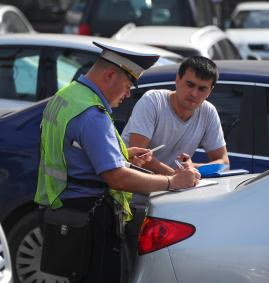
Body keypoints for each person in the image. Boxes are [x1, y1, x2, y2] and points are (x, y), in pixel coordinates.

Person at [35, 41, 201, 283]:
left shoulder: (68, 95)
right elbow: (117, 177)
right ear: (110, 74)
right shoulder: (92, 113)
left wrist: (122, 153)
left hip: (60, 209)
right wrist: (172, 181)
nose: (127, 94)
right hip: (89, 219)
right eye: (127, 85)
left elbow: (74, 150)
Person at [122, 56, 229, 176]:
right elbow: (139, 154)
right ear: (177, 80)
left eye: (202, 89)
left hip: (171, 189)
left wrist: (190, 167)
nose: (194, 93)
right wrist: (176, 176)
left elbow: (224, 163)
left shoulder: (208, 112)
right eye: (190, 85)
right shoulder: (153, 101)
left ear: (210, 91)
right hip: (131, 188)